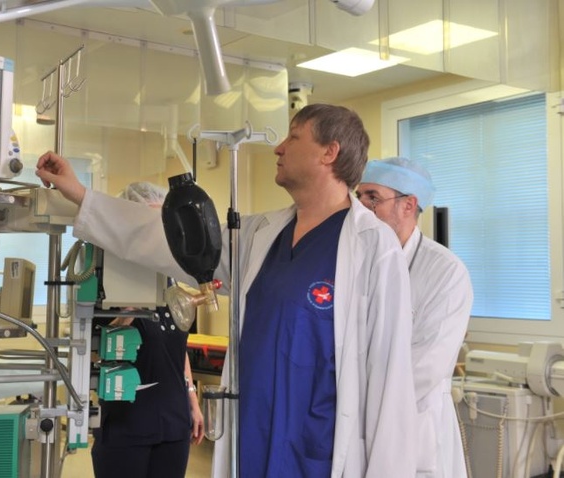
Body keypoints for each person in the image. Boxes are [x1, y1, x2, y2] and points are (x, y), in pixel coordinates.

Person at [36, 103, 418, 478]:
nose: (279, 147)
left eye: (294, 137)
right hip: (253, 437)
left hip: (319, 448)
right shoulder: (260, 235)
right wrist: (81, 194)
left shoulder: (373, 247)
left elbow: (390, 379)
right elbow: (174, 241)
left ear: (329, 152)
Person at [357, 157, 474, 478]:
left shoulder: (445, 271)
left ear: (408, 205)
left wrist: (360, 399)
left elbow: (426, 366)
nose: (362, 206)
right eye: (359, 196)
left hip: (411, 419)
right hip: (354, 418)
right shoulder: (355, 260)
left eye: (373, 197)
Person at [91, 181, 204, 478]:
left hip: (174, 422)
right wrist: (129, 310)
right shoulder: (107, 285)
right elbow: (92, 354)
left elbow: (177, 348)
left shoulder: (170, 280)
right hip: (127, 425)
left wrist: (192, 399)